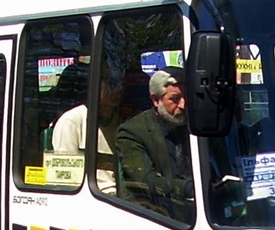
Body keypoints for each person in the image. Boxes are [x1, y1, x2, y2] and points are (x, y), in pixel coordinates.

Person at [116, 67, 194, 221]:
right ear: (155, 100)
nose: (183, 105)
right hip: (155, 215)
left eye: (186, 97)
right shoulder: (132, 132)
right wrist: (188, 188)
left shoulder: (191, 126)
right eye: (175, 99)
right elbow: (147, 182)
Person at [51, 78, 120, 194]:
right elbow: (65, 177)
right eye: (110, 84)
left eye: (119, 84)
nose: (116, 89)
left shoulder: (119, 123)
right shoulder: (71, 121)